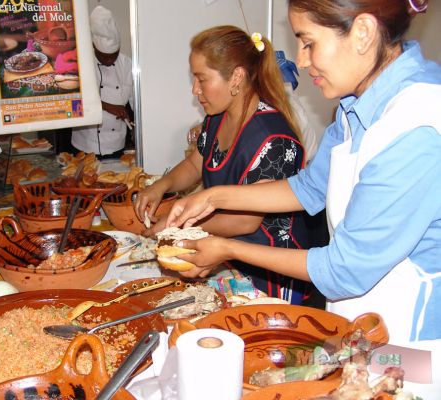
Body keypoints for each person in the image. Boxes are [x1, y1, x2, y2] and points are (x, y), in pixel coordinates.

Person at [165, 0, 441, 396]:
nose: (301, 59)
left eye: (309, 43)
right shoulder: (356, 106)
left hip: (410, 350)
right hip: (360, 328)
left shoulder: (414, 128)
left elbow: (343, 269)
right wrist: (212, 196)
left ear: (362, 33)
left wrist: (227, 247)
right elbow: (309, 188)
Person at [135, 25, 318, 305]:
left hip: (271, 273)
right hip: (229, 258)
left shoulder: (274, 138)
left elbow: (245, 220)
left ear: (236, 77)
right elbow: (196, 164)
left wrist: (177, 227)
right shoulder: (216, 118)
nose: (195, 89)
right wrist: (162, 186)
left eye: (201, 79)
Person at [71, 5, 134, 159]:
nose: (109, 60)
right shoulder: (80, 64)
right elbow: (72, 103)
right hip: (84, 144)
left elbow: (137, 101)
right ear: (94, 46)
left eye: (114, 55)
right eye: (104, 56)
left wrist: (135, 120)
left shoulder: (127, 64)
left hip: (117, 143)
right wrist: (107, 106)